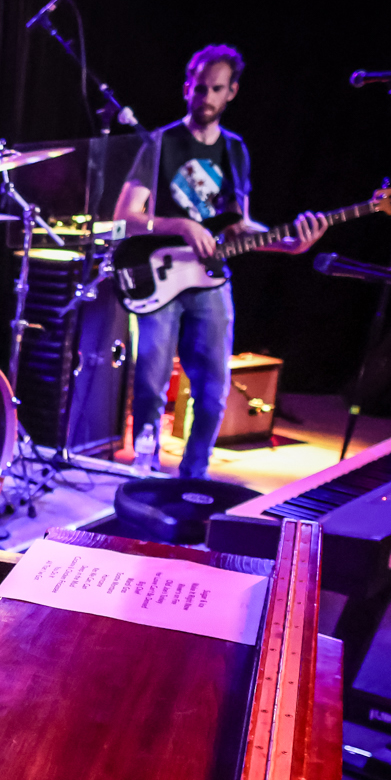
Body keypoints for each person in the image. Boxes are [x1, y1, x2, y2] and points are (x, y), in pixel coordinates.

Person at [113, 45, 326, 478]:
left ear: (232, 92)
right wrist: (181, 225)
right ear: (186, 87)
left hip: (211, 280)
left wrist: (289, 245)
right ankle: (144, 472)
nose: (206, 97)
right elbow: (125, 217)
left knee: (213, 392)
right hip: (160, 277)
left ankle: (194, 478)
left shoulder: (235, 150)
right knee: (150, 385)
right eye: (199, 87)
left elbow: (238, 227)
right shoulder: (160, 143)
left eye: (216, 89)